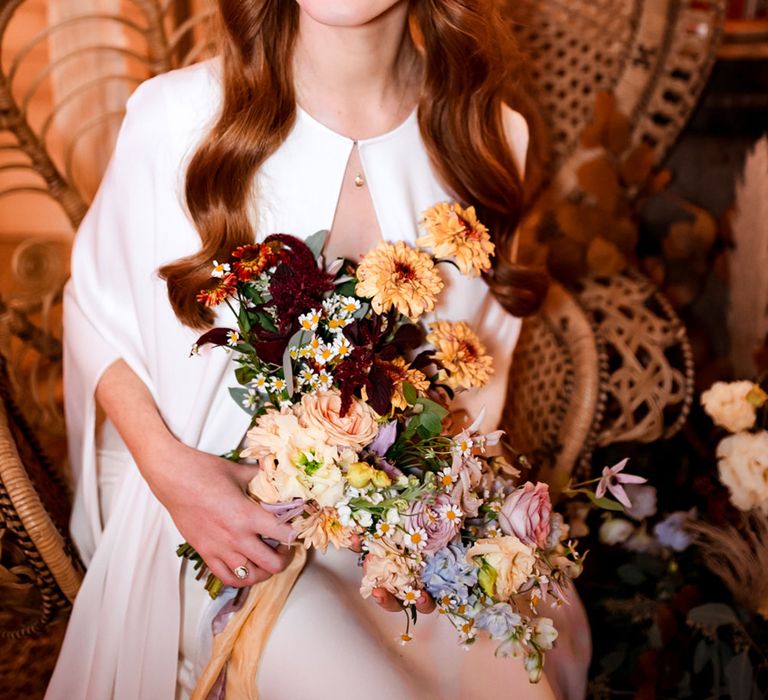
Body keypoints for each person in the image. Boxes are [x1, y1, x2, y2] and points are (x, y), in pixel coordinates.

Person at [46, 1, 590, 698]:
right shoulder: (177, 118)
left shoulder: (491, 138)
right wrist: (176, 475)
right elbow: (97, 316)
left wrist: (425, 532)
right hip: (220, 529)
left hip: (408, 537)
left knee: (519, 676)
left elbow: (474, 390)